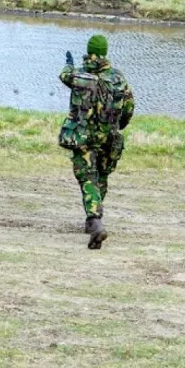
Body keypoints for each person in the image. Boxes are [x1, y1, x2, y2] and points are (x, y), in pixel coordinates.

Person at [59, 34, 135, 249]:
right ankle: (92, 220)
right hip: (109, 137)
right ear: (105, 53)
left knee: (87, 178)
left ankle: (94, 220)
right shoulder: (118, 78)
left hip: (84, 137)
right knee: (101, 176)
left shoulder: (80, 77)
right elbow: (129, 108)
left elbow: (64, 75)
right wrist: (118, 126)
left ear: (89, 52)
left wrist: (69, 63)